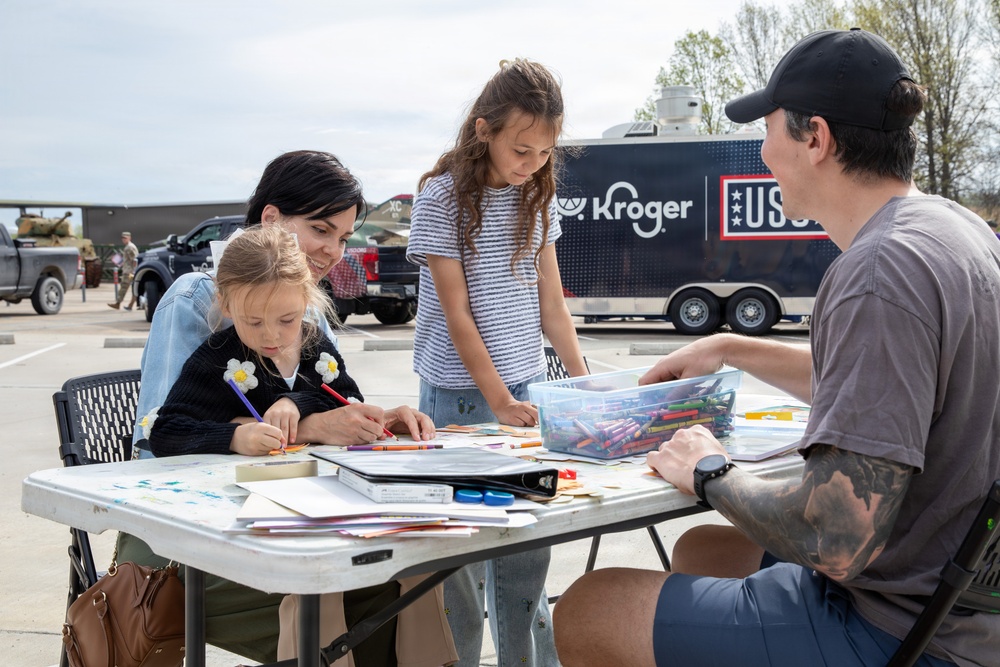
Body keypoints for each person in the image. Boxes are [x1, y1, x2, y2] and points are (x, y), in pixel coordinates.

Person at [553, 29, 1000, 667]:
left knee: (590, 608)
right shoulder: (955, 229)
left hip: (904, 632)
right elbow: (884, 387)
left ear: (815, 138)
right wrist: (732, 347)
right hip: (954, 601)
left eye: (767, 132)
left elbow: (837, 537)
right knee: (703, 551)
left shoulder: (879, 269)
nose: (761, 151)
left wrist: (711, 471)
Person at [122, 150, 456, 666]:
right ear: (272, 219)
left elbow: (334, 400)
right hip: (186, 543)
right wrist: (303, 428)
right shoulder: (198, 298)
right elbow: (162, 446)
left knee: (414, 569)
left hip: (285, 516)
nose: (334, 251)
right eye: (322, 230)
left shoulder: (304, 321)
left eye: (344, 238)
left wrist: (373, 419)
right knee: (372, 590)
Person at [407, 59, 587, 667]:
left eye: (544, 153)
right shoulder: (440, 200)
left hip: (524, 386)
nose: (531, 163)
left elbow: (552, 303)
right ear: (483, 128)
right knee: (458, 572)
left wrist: (584, 385)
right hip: (459, 396)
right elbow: (459, 317)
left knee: (524, 561)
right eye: (521, 148)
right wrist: (500, 401)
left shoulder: (538, 196)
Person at [107, 230, 138, 310]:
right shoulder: (128, 247)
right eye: (122, 238)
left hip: (129, 272)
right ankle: (130, 305)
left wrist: (133, 271)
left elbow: (134, 260)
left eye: (125, 238)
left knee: (124, 287)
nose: (123, 240)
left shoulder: (130, 247)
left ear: (129, 238)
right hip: (128, 270)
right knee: (133, 287)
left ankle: (118, 303)